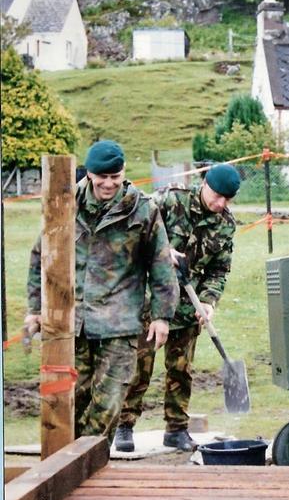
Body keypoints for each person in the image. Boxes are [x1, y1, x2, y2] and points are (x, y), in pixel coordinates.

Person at [25, 140, 178, 442]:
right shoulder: (65, 204)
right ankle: (73, 467)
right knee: (69, 401)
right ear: (90, 174)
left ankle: (90, 461)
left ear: (123, 174)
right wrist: (35, 309)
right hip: (74, 321)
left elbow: (161, 264)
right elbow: (39, 256)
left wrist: (162, 317)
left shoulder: (142, 210)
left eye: (115, 176)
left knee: (107, 406)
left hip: (119, 323)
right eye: (102, 177)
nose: (108, 184)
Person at [111, 164, 241, 453]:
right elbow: (132, 227)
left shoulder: (226, 224)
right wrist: (160, 250)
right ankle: (124, 425)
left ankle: (176, 429)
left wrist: (208, 301)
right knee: (138, 367)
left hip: (187, 307)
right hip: (148, 300)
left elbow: (219, 269)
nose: (220, 203)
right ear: (204, 183)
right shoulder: (170, 200)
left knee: (181, 370)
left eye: (227, 200)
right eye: (217, 195)